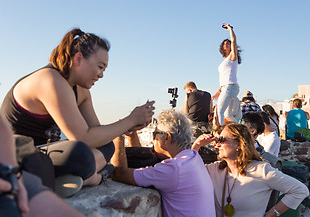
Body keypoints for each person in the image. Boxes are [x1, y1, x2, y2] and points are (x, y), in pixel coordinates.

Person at [1, 28, 155, 196]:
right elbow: (83, 138)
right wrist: (130, 120)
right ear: (78, 58)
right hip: (16, 158)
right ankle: (87, 177)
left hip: (45, 157)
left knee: (106, 145)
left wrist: (128, 126)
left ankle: (70, 179)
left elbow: (97, 135)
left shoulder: (81, 91)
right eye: (100, 67)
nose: (101, 75)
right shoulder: (49, 80)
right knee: (79, 154)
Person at [111, 110, 215, 217]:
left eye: (155, 135)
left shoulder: (173, 169)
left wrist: (119, 133)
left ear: (167, 138)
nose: (153, 141)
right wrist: (131, 135)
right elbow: (141, 161)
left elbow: (118, 173)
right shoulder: (193, 157)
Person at [192, 123, 309, 217]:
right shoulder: (215, 169)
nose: (217, 145)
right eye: (216, 140)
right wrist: (196, 146)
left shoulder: (261, 170)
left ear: (238, 144)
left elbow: (300, 190)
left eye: (221, 140)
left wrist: (272, 214)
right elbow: (187, 172)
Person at [0, 113, 84, 217]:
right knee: (81, 154)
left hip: (7, 176)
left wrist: (11, 174)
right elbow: (84, 136)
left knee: (85, 153)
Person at [212, 24, 242, 125]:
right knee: (227, 115)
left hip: (230, 87)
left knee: (219, 111)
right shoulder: (225, 60)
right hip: (228, 88)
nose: (226, 44)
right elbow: (225, 77)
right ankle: (242, 128)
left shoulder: (232, 57)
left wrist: (230, 29)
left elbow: (234, 41)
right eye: (224, 43)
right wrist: (219, 90)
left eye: (228, 43)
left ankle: (221, 135)